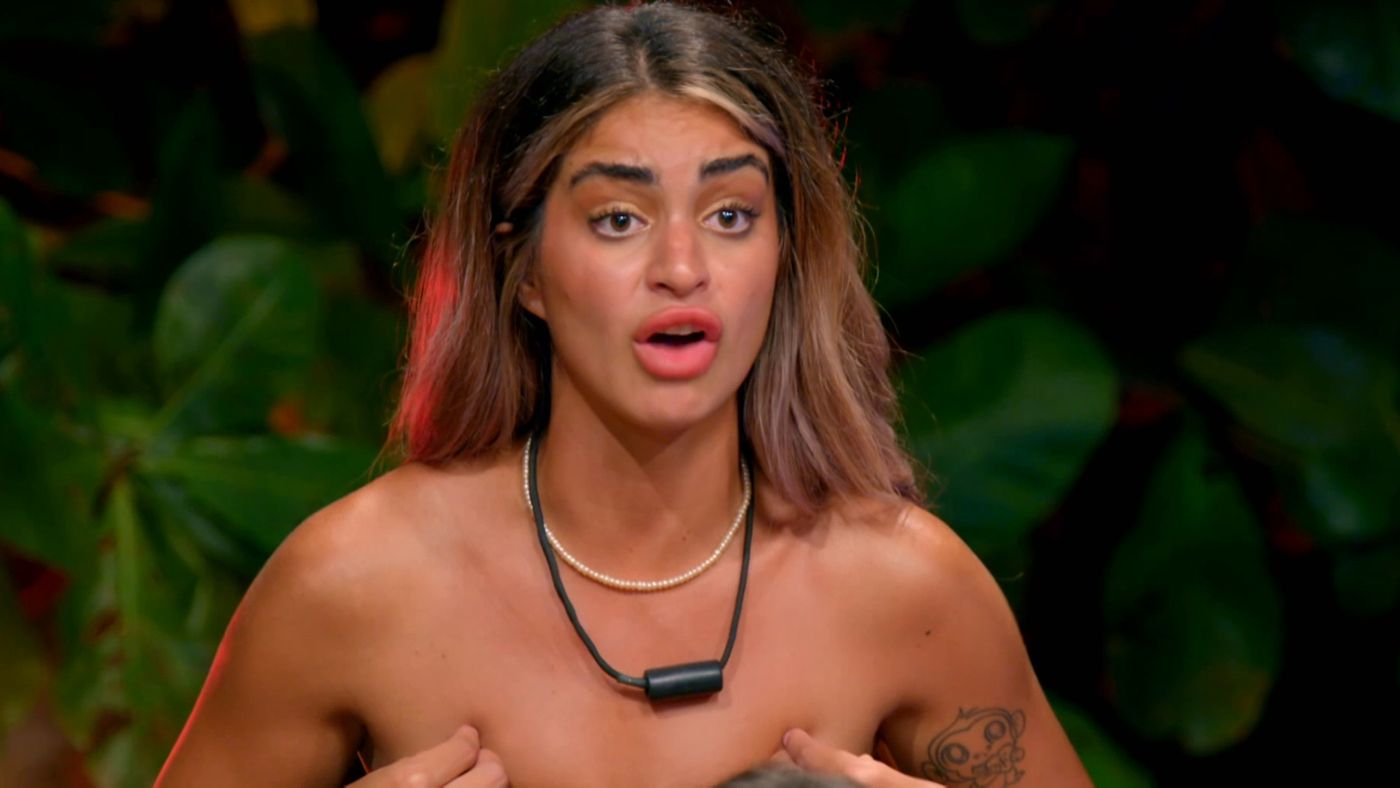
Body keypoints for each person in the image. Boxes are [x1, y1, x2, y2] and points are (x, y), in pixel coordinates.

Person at [156, 2, 1091, 786]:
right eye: (617, 218)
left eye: (731, 215)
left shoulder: (906, 587)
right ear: (524, 271)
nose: (682, 266)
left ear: (786, 254)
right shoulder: (351, 586)